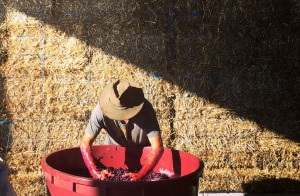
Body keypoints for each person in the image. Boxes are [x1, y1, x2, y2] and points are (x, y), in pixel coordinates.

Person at [80, 79, 164, 181]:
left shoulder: (145, 109)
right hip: (113, 155)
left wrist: (141, 175)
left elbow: (157, 147)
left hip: (142, 153)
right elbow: (85, 143)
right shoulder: (101, 111)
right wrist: (95, 172)